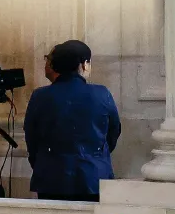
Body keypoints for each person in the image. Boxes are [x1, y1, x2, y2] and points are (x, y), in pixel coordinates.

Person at [24, 39, 121, 202]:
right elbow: (114, 132)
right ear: (84, 64)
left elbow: (31, 139)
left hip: (50, 178)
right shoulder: (102, 94)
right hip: (93, 177)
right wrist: (95, 157)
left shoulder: (39, 96)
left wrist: (44, 162)